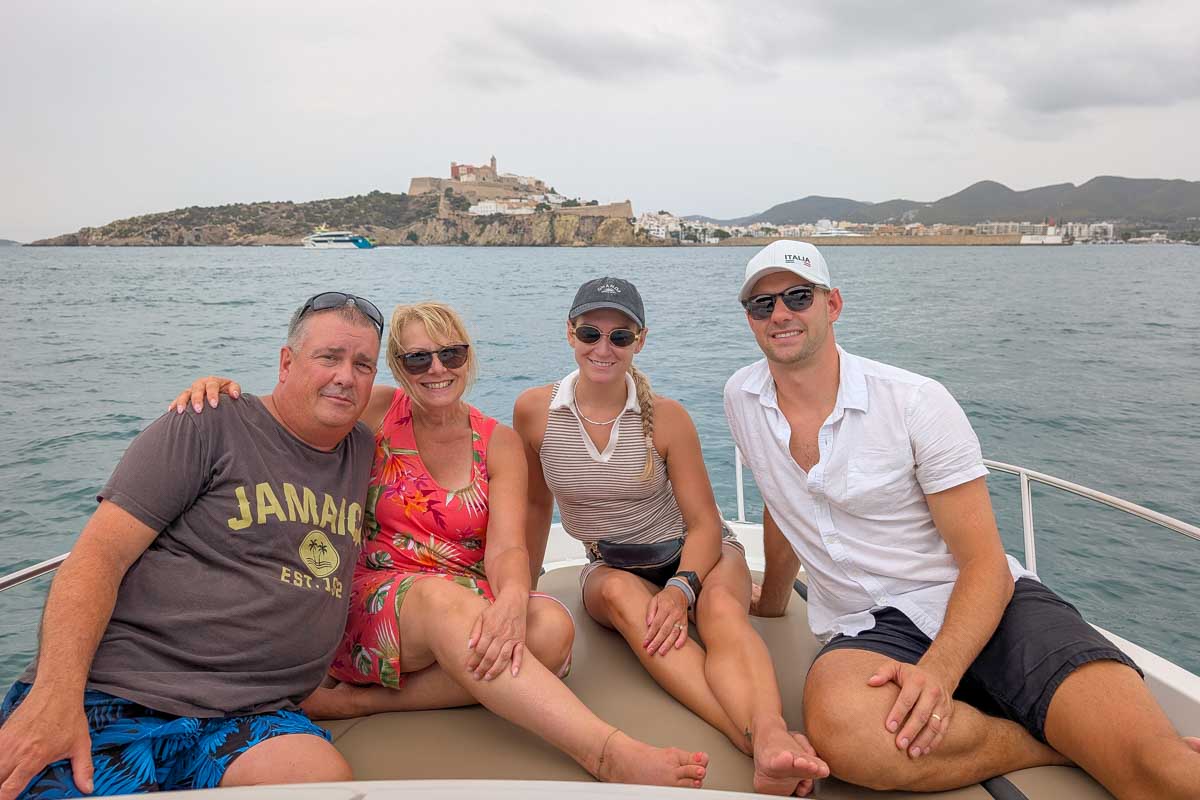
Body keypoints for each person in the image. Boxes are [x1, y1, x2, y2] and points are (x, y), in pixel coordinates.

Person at [725, 240, 1200, 798]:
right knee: (845, 735)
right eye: (762, 305)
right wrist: (775, 599)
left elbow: (984, 564)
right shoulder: (743, 398)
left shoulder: (914, 402)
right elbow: (783, 501)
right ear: (752, 321)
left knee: (1159, 773)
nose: (780, 314)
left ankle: (1088, 741)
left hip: (985, 602)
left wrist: (941, 672)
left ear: (832, 306)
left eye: (798, 297)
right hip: (869, 630)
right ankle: (1049, 745)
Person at [170, 301, 709, 789]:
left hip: (463, 595)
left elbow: (505, 550)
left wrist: (515, 600)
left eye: (449, 354)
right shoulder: (377, 412)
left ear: (467, 357)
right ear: (398, 369)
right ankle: (605, 752)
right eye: (417, 359)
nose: (436, 370)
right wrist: (223, 393)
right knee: (443, 603)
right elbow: (293, 412)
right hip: (378, 595)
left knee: (550, 631)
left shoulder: (496, 440)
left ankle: (360, 702)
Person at [0, 291, 387, 798]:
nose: (346, 375)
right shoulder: (208, 422)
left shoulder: (362, 446)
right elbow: (98, 557)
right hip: (120, 693)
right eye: (329, 357)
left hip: (254, 714)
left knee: (320, 784)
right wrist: (56, 695)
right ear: (286, 362)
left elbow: (437, 400)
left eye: (363, 364)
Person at [513, 278, 829, 797]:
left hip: (693, 552)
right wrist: (519, 588)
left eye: (621, 337)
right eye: (591, 332)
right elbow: (532, 503)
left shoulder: (668, 419)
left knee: (721, 612)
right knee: (623, 600)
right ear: (570, 334)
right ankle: (754, 741)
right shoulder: (535, 412)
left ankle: (770, 727)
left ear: (641, 341)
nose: (603, 348)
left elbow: (704, 523)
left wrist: (683, 586)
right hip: (610, 562)